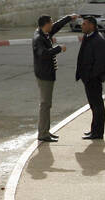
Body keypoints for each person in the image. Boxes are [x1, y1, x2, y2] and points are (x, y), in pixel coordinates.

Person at [33, 13, 77, 142]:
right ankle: (43, 133)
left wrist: (69, 18)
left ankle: (45, 130)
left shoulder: (44, 34)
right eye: (50, 23)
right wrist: (58, 48)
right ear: (46, 24)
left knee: (47, 104)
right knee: (45, 104)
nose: (52, 25)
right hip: (44, 75)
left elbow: (56, 26)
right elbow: (43, 54)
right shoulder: (38, 38)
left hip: (47, 73)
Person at [75, 15, 105, 140]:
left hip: (93, 79)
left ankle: (98, 132)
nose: (82, 26)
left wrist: (92, 76)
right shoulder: (88, 37)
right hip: (88, 78)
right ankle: (94, 130)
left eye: (84, 24)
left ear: (92, 25)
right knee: (93, 105)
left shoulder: (99, 40)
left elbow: (101, 62)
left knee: (97, 105)